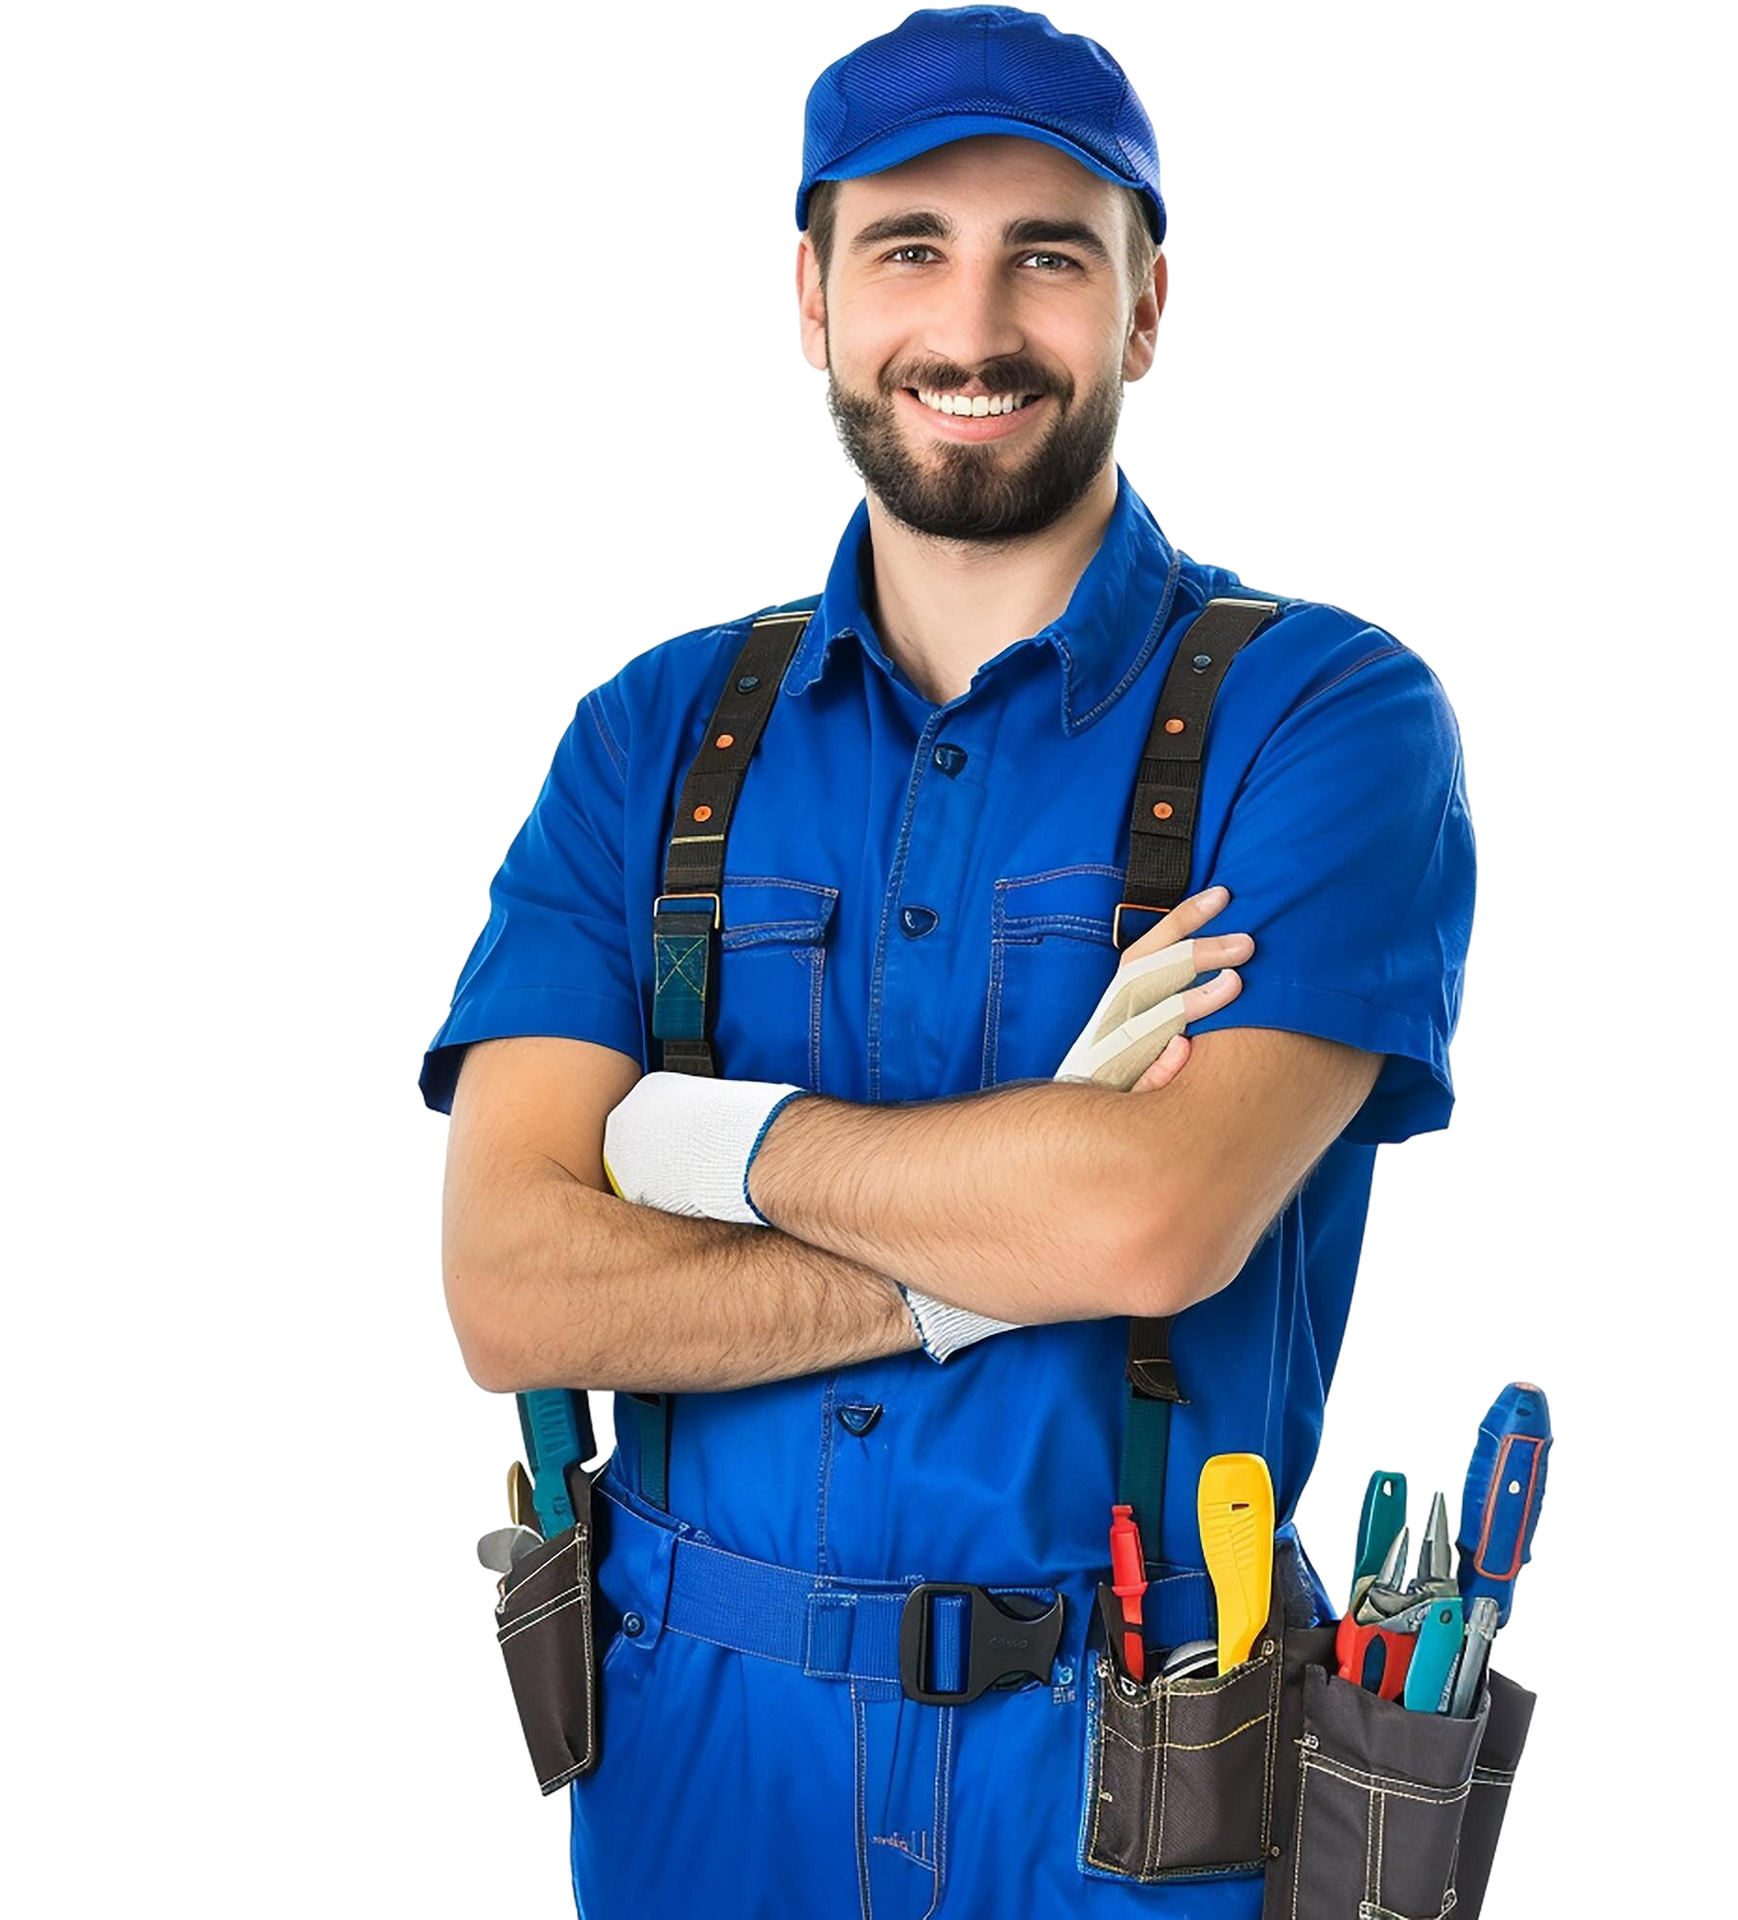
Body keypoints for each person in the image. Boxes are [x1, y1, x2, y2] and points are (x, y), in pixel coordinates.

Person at [416, 6, 1478, 1913]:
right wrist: (1000, 1240)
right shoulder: (645, 734)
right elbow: (504, 1285)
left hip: (1134, 1773)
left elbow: (1150, 1228)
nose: (974, 328)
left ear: (1147, 312)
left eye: (1049, 255)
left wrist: (687, 1148)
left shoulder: (1329, 715)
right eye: (909, 246)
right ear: (812, 301)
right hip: (687, 1775)